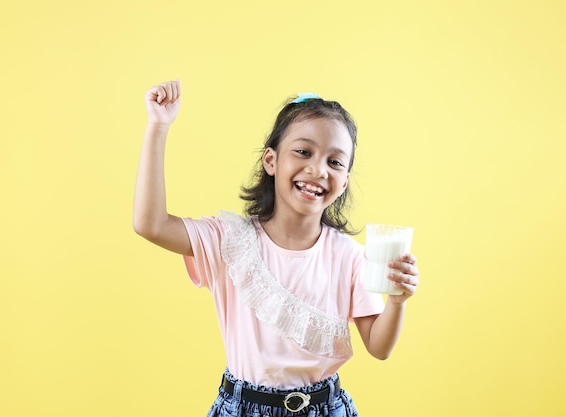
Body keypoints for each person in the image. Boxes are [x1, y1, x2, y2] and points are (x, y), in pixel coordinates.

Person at [133, 79, 420, 417]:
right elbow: (150, 224)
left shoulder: (350, 257)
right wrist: (158, 126)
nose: (317, 170)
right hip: (242, 408)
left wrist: (397, 302)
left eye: (335, 162)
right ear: (271, 160)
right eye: (303, 152)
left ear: (343, 182)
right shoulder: (230, 241)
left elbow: (379, 346)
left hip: (325, 409)